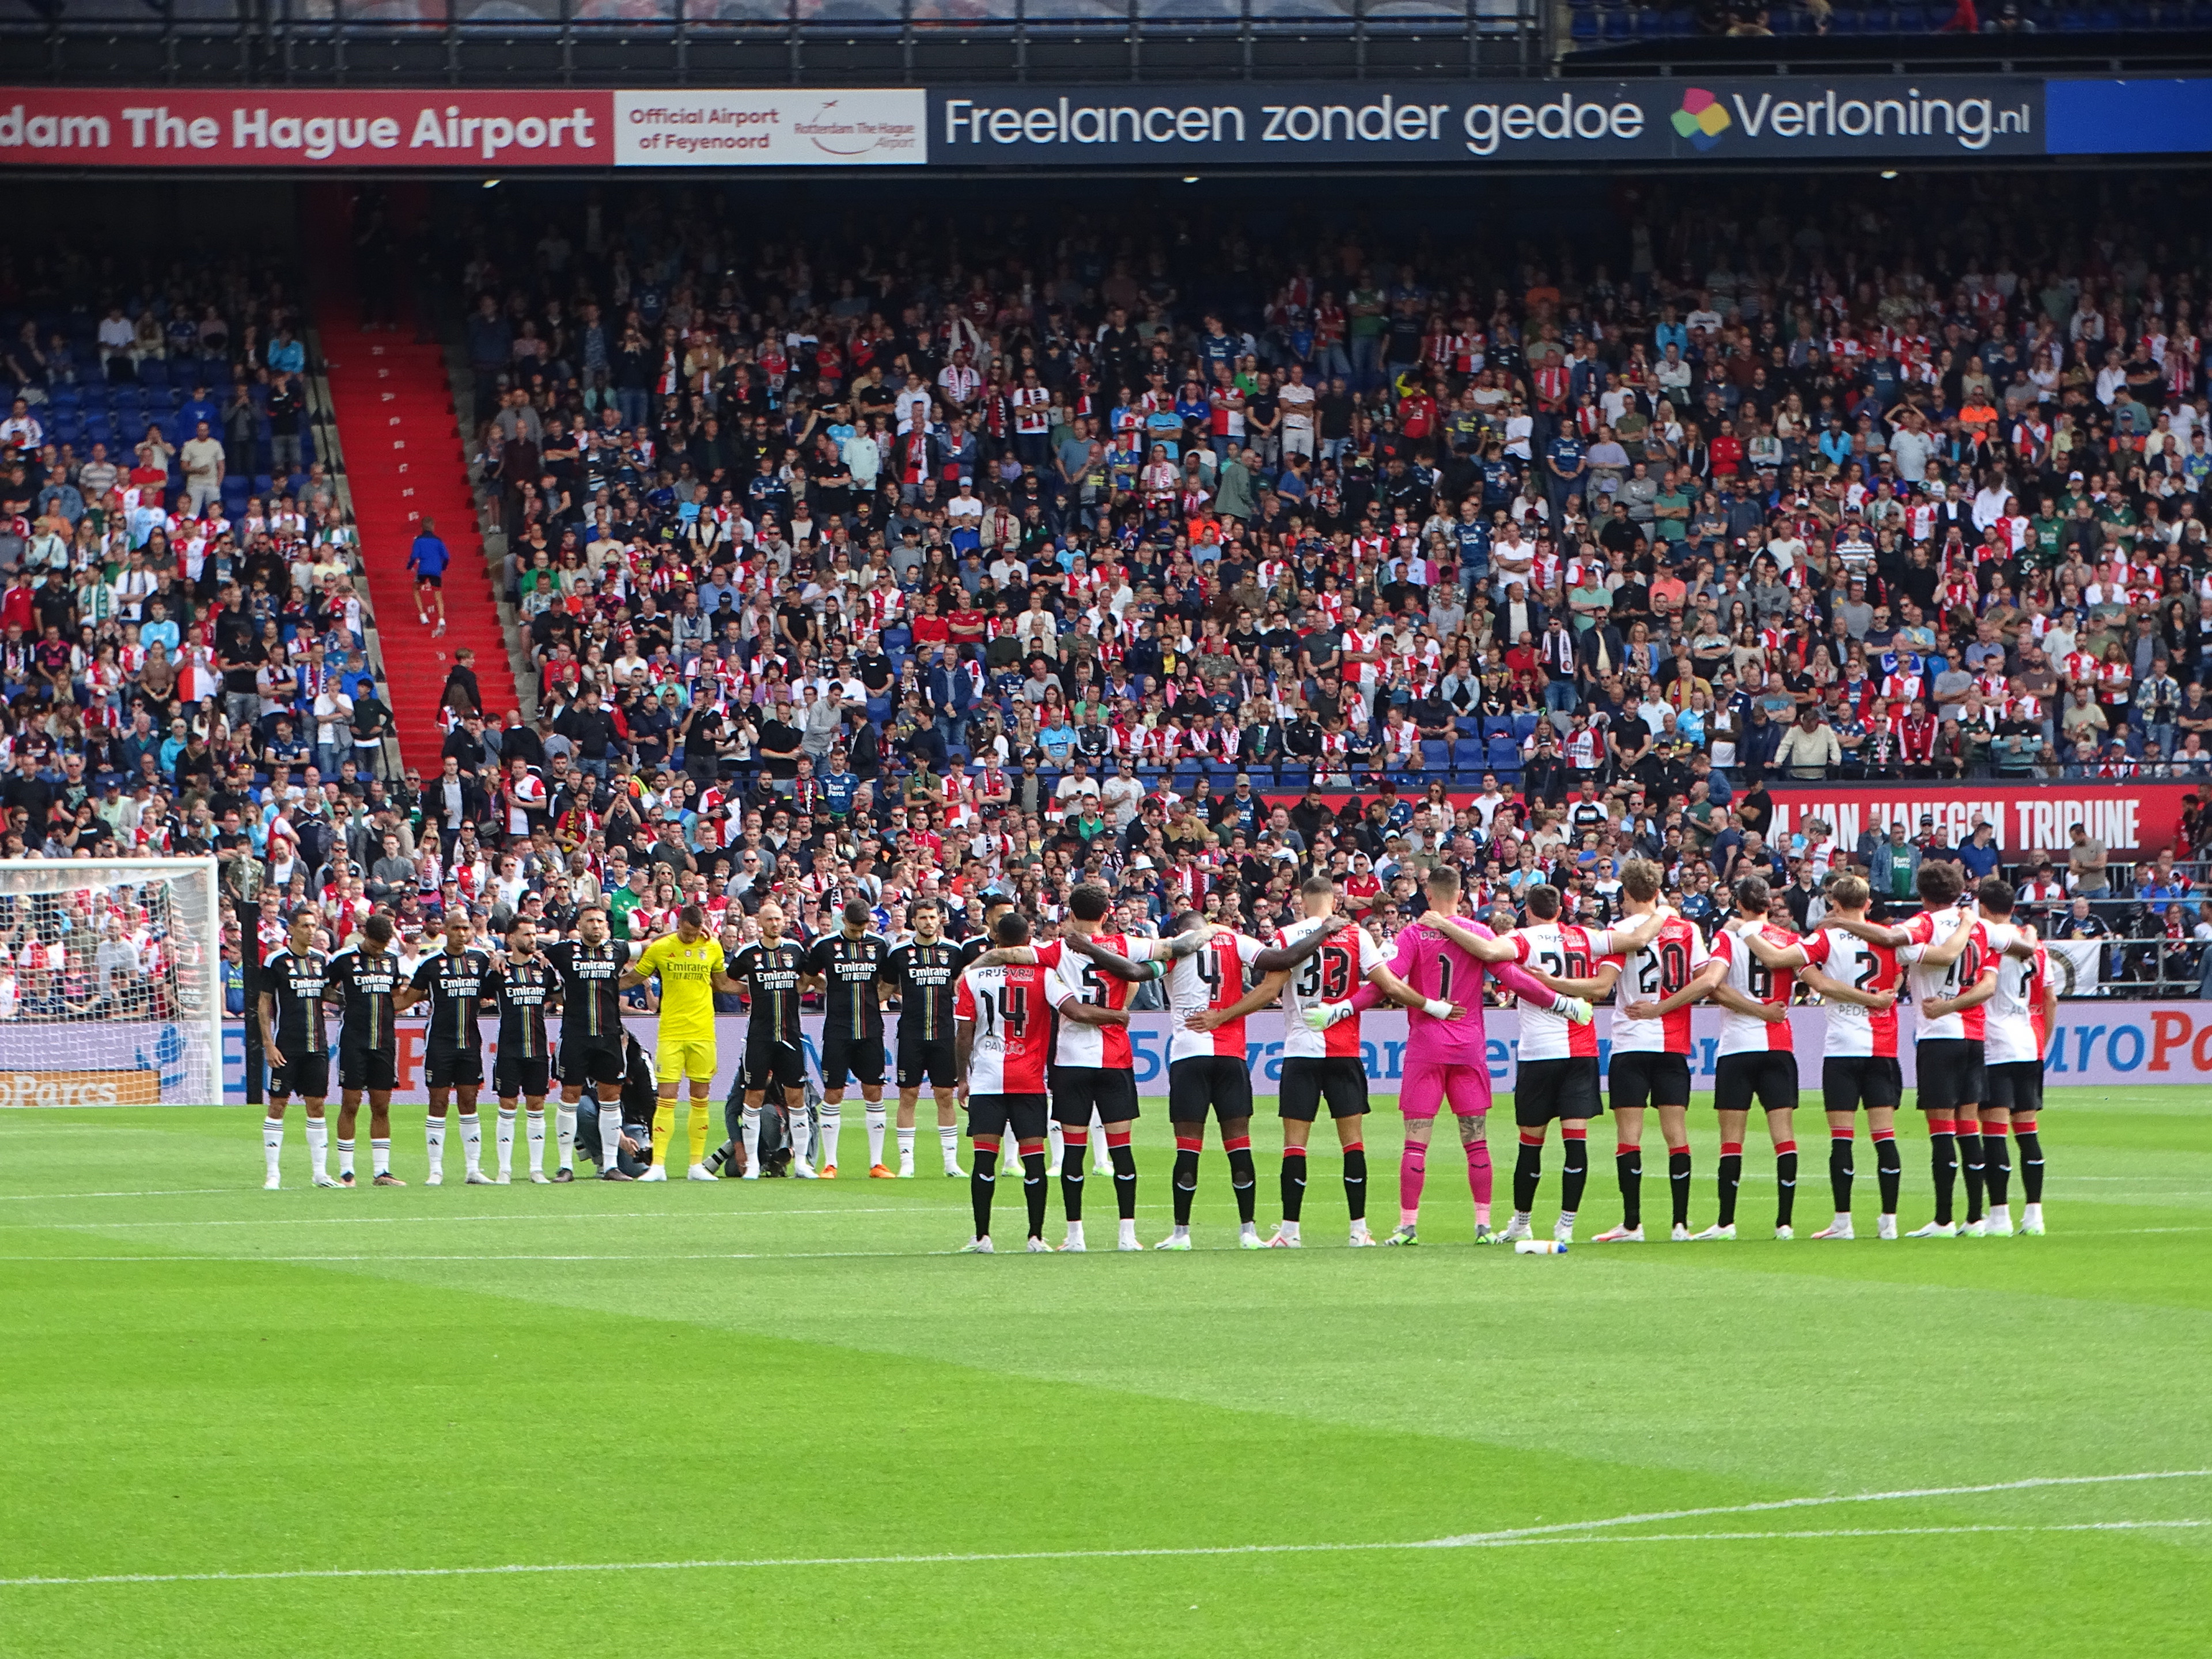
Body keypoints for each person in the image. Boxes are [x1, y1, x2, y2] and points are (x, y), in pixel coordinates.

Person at [1327, 864, 1585, 1246]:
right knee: (1476, 1140)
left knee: (1416, 1141)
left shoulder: (1414, 934)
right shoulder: (1479, 933)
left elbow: (1387, 984)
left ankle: (1408, 1227)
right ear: (1461, 895)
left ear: (1428, 894)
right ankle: (1483, 1226)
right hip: (1469, 1048)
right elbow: (1515, 980)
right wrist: (1562, 1003)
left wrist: (1342, 1009)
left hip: (1426, 1047)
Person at [1416, 885, 1632, 1245]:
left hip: (1540, 1053)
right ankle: (1566, 1224)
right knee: (1575, 1142)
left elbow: (1486, 950)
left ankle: (1522, 1221)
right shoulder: (1585, 936)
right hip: (1581, 1051)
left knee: (1531, 1144)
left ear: (1528, 912)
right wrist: (1661, 917)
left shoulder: (1522, 938)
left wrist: (1444, 923)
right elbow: (1632, 939)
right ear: (1561, 910)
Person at [1506, 861, 1698, 1241]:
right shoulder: (1688, 928)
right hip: (1675, 1040)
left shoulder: (1618, 931)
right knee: (1677, 1134)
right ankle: (1680, 1225)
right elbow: (1708, 978)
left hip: (1630, 1041)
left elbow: (1599, 987)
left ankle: (1632, 1224)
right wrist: (1665, 1007)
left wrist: (1552, 983)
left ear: (1625, 892)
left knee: (1630, 1137)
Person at [1243, 874, 1436, 1247]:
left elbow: (1269, 988)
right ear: (1334, 899)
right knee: (1353, 1143)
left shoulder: (1286, 937)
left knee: (1294, 1145)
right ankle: (1358, 1229)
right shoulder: (1357, 935)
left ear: (1301, 901)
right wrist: (1433, 1006)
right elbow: (1388, 986)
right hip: (1344, 1050)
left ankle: (1290, 1232)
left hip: (1301, 1048)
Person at [1153, 907, 1350, 1251]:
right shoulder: (1235, 940)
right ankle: (1248, 1232)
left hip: (1188, 1055)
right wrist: (1324, 931)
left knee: (1188, 1148)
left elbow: (1138, 970)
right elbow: (1283, 958)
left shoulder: (1174, 946)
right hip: (1231, 1057)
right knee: (1239, 1146)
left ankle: (1181, 1233)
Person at [1729, 875, 1906, 1240]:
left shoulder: (1826, 937)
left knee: (1842, 1139)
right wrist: (1877, 998)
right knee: (1884, 1138)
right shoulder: (1888, 937)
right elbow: (1900, 977)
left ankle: (1843, 1222)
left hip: (1843, 1047)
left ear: (1835, 905)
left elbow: (1778, 959)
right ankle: (1889, 1222)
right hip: (1883, 1046)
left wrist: (1743, 929)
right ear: (1868, 903)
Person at [1831, 863, 1994, 1237]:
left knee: (1941, 1130)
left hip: (1938, 1035)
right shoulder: (1978, 926)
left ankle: (1943, 1218)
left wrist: (1843, 924)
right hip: (1974, 1033)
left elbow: (1891, 939)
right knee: (1969, 1128)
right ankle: (1977, 1217)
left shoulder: (1926, 924)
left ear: (1922, 894)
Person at [1699, 877, 1805, 1241]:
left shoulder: (1729, 936)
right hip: (1778, 1047)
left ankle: (1726, 1223)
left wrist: (1754, 1010)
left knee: (1731, 1139)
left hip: (1738, 1047)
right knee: (1784, 1137)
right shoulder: (1789, 940)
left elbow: (1715, 987)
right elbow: (1811, 979)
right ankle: (1785, 1223)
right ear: (1769, 906)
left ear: (1740, 905)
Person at [953, 910, 1058, 1253]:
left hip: (987, 1079)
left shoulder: (974, 977)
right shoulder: (1044, 976)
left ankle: (982, 1237)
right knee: (1034, 1160)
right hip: (1029, 1081)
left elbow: (964, 1032)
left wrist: (962, 1078)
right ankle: (1036, 1237)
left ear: (995, 940)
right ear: (1029, 941)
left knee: (984, 1159)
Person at [623, 902, 744, 1181]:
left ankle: (695, 1166)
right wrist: (601, 985)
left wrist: (760, 989)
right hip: (671, 1033)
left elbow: (723, 984)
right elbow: (635, 977)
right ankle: (659, 1166)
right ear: (679, 926)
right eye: (688, 933)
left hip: (703, 1032)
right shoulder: (661, 948)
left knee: (700, 1099)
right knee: (666, 1099)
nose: (692, 938)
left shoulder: (712, 947)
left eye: (696, 932)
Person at [1975, 880, 2056, 1236]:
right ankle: (2035, 1216)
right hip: (2028, 1042)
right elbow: (2050, 999)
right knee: (2027, 1132)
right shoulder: (2036, 946)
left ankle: (1999, 1216)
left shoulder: (1989, 939)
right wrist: (2043, 1042)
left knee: (1994, 1133)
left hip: (1996, 1043)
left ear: (1985, 907)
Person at [400, 911, 495, 1186]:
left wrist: (500, 958)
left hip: (469, 1042)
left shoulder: (481, 960)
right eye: (456, 928)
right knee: (438, 1102)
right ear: (445, 929)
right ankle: (436, 1170)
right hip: (439, 1043)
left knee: (469, 1101)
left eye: (466, 928)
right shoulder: (431, 964)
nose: (462, 934)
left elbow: (499, 977)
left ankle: (473, 1169)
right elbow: (408, 999)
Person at [541, 906, 637, 1180]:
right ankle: (565, 1166)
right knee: (570, 1097)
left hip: (610, 1036)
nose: (596, 926)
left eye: (600, 921)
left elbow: (649, 946)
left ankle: (610, 1166)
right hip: (575, 1034)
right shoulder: (563, 951)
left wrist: (679, 932)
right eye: (590, 921)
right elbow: (528, 951)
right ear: (580, 925)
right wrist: (501, 954)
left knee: (611, 1098)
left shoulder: (617, 949)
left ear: (606, 925)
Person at [804, 898, 892, 1179]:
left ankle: (876, 1163)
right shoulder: (825, 946)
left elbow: (888, 981)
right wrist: (827, 987)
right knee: (834, 1092)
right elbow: (807, 977)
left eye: (863, 927)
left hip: (870, 1031)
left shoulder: (879, 945)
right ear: (844, 921)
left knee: (874, 1091)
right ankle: (830, 1164)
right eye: (854, 928)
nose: (859, 932)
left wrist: (874, 998)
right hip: (838, 1031)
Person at [726, 899, 812, 1177]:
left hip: (791, 1036)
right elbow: (726, 980)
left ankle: (801, 1163)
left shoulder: (795, 949)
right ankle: (752, 1164)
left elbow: (806, 979)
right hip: (759, 1037)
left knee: (797, 1097)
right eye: (769, 920)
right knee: (753, 1096)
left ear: (784, 922)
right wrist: (750, 988)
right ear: (760, 924)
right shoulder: (748, 952)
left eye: (778, 919)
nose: (775, 924)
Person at [881, 897, 965, 1178]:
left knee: (945, 1095)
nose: (929, 923)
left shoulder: (955, 952)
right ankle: (907, 1163)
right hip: (911, 1034)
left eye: (933, 917)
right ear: (913, 921)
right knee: (909, 1095)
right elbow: (886, 988)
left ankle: (951, 1163)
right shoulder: (899, 953)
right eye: (923, 918)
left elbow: (960, 987)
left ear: (940, 919)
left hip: (944, 1034)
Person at [259, 907, 339, 1190]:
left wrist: (354, 997)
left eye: (314, 925)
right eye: (305, 925)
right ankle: (273, 1174)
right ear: (291, 929)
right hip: (287, 1046)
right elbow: (264, 1003)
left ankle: (320, 1174)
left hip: (317, 1045)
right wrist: (268, 1043)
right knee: (278, 1104)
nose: (311, 930)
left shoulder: (320, 961)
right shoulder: (276, 960)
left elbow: (327, 994)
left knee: (316, 1105)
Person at [326, 912, 406, 1185]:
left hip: (384, 1041)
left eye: (384, 946)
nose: (379, 951)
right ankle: (347, 1173)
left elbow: (395, 995)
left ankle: (381, 1172)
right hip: (354, 1041)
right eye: (375, 946)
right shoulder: (344, 959)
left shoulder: (392, 960)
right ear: (365, 936)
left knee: (381, 1106)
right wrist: (343, 1000)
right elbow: (324, 989)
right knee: (351, 1103)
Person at [488, 917, 559, 1184]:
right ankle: (504, 1169)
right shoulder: (498, 970)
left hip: (538, 1049)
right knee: (507, 1105)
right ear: (511, 939)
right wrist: (495, 956)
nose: (533, 939)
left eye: (534, 934)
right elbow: (481, 992)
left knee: (537, 1105)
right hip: (508, 1049)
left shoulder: (544, 969)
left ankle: (536, 1169)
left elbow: (560, 995)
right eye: (527, 934)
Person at [408, 518, 451, 637]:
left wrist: (410, 566)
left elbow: (414, 556)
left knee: (416, 588)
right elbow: (447, 557)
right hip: (436, 570)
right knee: (438, 594)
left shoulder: (419, 540)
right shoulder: (438, 541)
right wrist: (443, 567)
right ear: (433, 526)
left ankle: (423, 615)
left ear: (422, 527)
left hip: (423, 570)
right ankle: (441, 619)